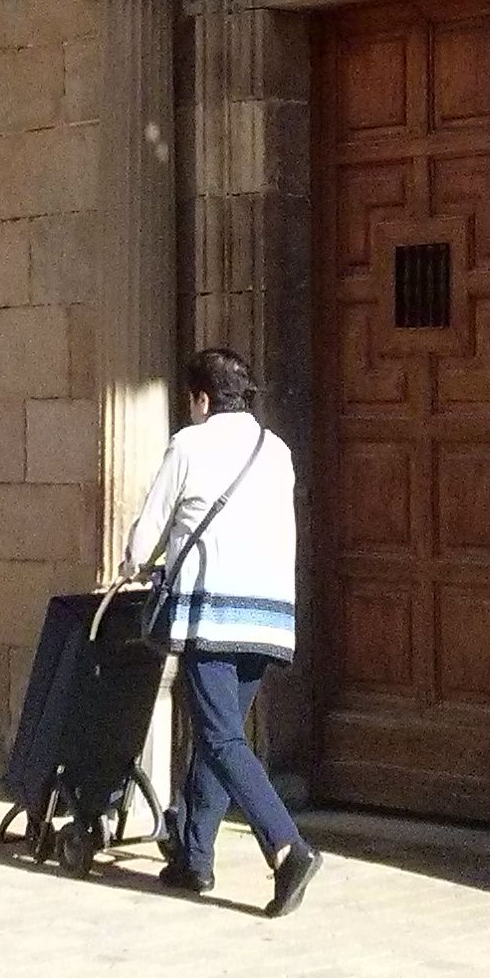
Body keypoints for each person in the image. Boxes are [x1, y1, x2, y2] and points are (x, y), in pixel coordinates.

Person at [122, 346, 323, 918]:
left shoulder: (190, 443)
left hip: (212, 614)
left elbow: (153, 527)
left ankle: (287, 848)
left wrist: (133, 561)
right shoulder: (277, 451)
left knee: (219, 737)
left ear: (201, 399)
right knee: (221, 733)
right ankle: (193, 857)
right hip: (268, 618)